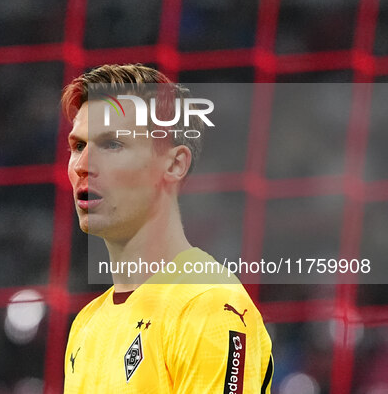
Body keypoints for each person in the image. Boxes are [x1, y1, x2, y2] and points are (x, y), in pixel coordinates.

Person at [62, 64, 273, 393]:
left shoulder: (208, 304)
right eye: (78, 147)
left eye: (111, 145)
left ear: (174, 164)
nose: (83, 165)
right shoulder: (87, 324)